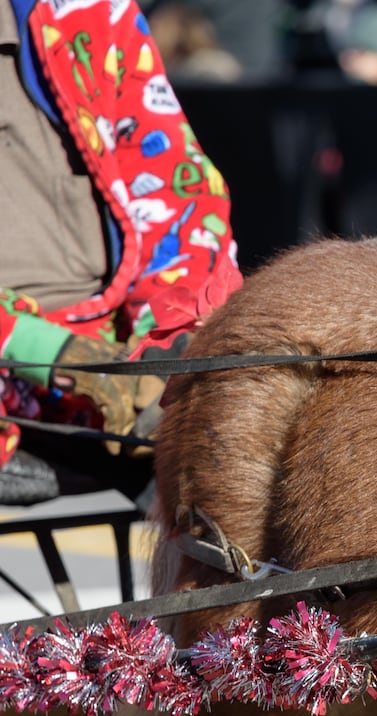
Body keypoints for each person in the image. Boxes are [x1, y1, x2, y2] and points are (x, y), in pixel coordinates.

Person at [1, 0, 241, 504]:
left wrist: (170, 345)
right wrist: (53, 357)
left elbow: (176, 190)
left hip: (115, 346)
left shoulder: (90, 11)